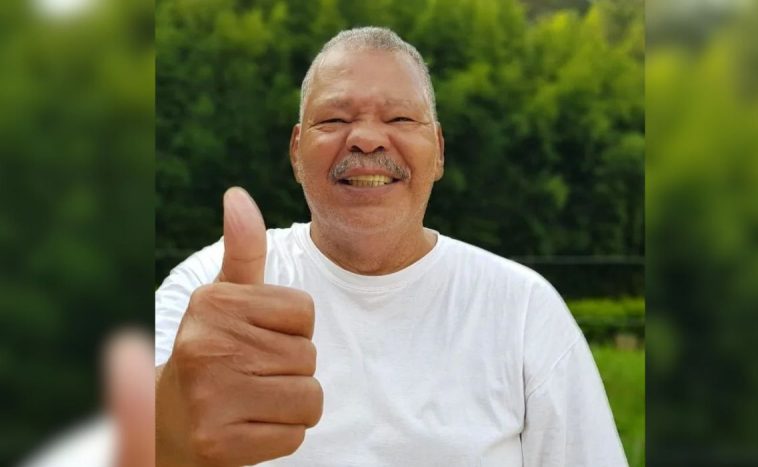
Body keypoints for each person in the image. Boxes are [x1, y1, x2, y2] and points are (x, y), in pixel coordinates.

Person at [155, 27, 628, 466]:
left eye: (400, 117)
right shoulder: (210, 293)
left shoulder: (522, 308)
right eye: (335, 118)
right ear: (297, 152)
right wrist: (167, 430)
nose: (364, 138)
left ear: (438, 150)